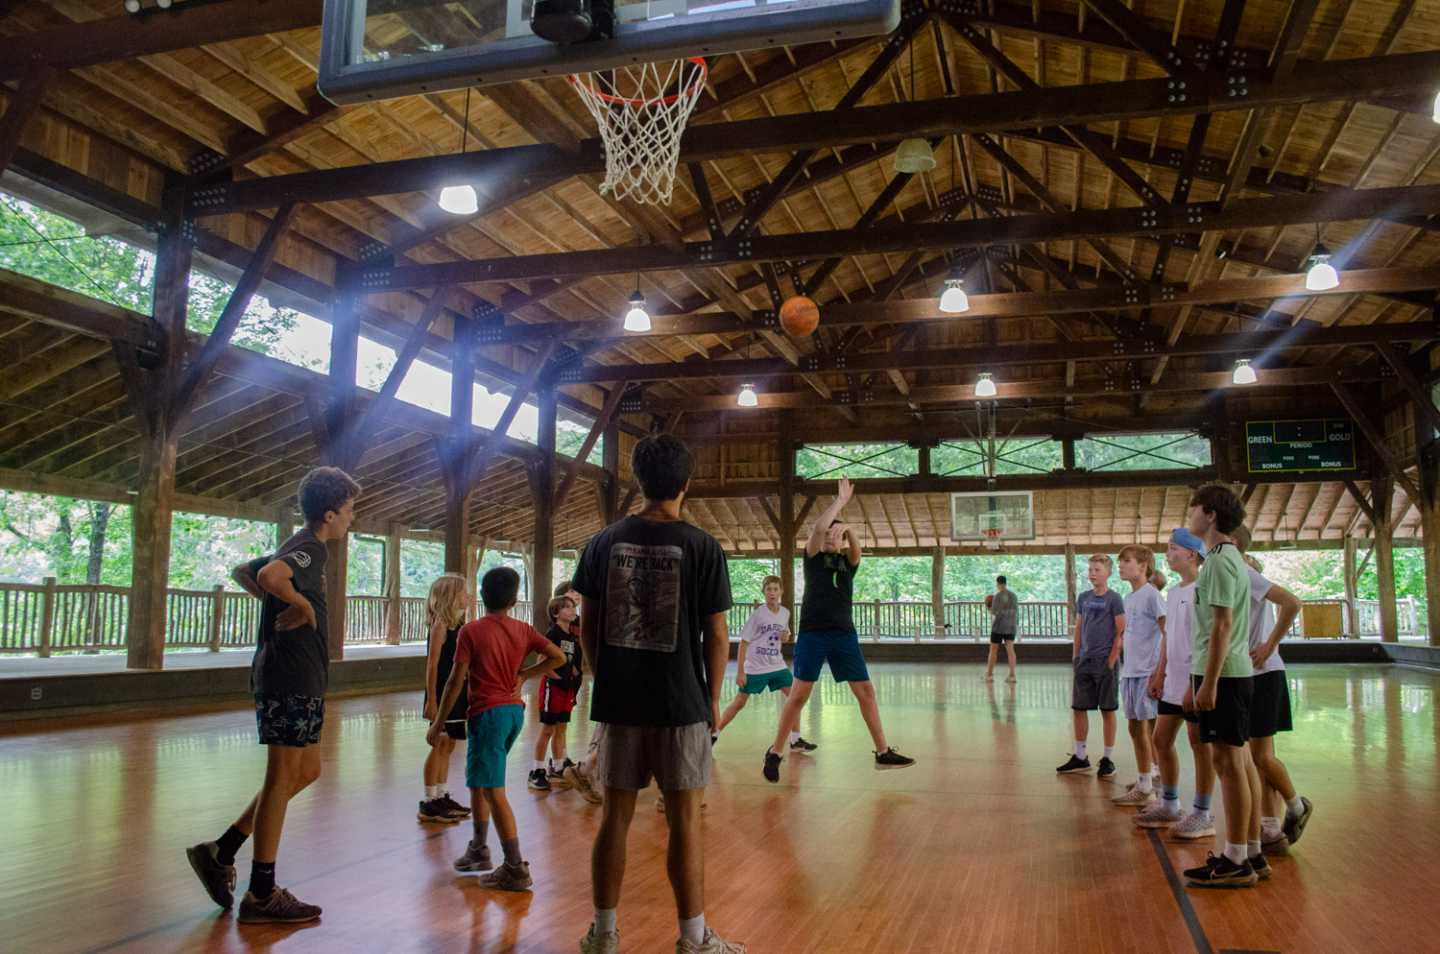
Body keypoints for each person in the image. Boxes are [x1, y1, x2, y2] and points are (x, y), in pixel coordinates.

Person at [573, 434, 745, 954]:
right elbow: (717, 634)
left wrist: (606, 676)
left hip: (620, 703)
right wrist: (712, 698)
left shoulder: (602, 543)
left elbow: (588, 625)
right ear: (686, 484)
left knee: (614, 818)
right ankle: (693, 939)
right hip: (680, 703)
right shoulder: (702, 547)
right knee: (684, 822)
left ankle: (603, 934)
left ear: (637, 482)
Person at [185, 467, 360, 924]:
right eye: (349, 510)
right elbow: (268, 575)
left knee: (306, 770)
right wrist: (299, 605)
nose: (351, 518)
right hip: (289, 678)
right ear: (329, 514)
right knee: (282, 777)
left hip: (301, 678)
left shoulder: (298, 545)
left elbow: (246, 571)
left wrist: (281, 602)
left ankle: (222, 850)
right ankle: (261, 894)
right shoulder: (310, 547)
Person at [764, 477, 915, 784]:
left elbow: (856, 551)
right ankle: (776, 751)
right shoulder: (813, 559)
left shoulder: (848, 563)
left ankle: (882, 752)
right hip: (813, 634)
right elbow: (819, 529)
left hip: (844, 634)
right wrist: (839, 503)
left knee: (866, 691)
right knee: (799, 695)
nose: (831, 536)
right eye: (828, 534)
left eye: (837, 535)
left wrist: (849, 530)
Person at [427, 566, 565, 890]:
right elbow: (557, 657)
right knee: (478, 780)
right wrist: (525, 675)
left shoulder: (471, 631)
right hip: (512, 713)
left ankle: (515, 867)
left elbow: (455, 681)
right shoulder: (523, 629)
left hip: (488, 715)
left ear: (482, 595)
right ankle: (478, 849)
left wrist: (438, 722)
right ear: (514, 600)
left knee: (493, 789)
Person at [1182, 485, 1263, 888]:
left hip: (1224, 674)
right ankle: (1251, 851)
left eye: (1193, 509)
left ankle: (1235, 859)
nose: (1190, 516)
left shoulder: (1217, 562)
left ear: (1210, 514)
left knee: (1228, 765)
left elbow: (1222, 625)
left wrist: (1209, 682)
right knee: (1237, 762)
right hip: (1231, 671)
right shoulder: (1229, 558)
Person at [1232, 526, 1314, 853]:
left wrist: (1269, 645)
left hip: (1264, 674)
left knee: (1262, 757)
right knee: (1258, 758)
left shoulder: (1246, 574)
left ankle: (1296, 806)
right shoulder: (1234, 578)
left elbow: (1293, 602)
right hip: (1248, 673)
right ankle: (1269, 828)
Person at [1135, 530, 1217, 839]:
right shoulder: (1173, 593)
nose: (1167, 555)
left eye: (1173, 549)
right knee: (1161, 739)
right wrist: (1160, 673)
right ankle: (1170, 805)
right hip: (1173, 680)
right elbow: (1169, 637)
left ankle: (1203, 813)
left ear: (1192, 555)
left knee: (1200, 745)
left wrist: (1197, 683)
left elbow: (1209, 639)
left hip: (1195, 680)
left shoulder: (1205, 588)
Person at [714, 576, 815, 755]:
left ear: (781, 591)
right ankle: (715, 733)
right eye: (769, 589)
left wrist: (786, 636)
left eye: (776, 589)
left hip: (777, 665)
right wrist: (740, 672)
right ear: (764, 592)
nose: (772, 593)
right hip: (756, 667)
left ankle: (795, 739)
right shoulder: (758, 615)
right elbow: (743, 643)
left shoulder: (785, 613)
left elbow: (784, 636)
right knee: (739, 702)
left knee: (795, 698)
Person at [1057, 554, 1125, 777]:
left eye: (1097, 570)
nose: (1092, 573)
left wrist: (1112, 661)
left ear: (1108, 573)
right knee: (1079, 708)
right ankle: (1080, 756)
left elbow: (1120, 630)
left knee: (1107, 710)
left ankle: (1107, 758)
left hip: (1105, 662)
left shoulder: (1114, 599)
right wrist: (1076, 657)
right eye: (1090, 570)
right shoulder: (1084, 598)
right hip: (1084, 661)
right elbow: (1079, 628)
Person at [1112, 546, 1166, 806]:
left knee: (1145, 728)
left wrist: (1160, 672)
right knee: (1135, 727)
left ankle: (1148, 784)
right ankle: (1147, 779)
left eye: (1126, 561)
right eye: (1120, 561)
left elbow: (1167, 633)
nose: (1120, 566)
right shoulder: (1129, 597)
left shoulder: (1152, 595)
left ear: (1143, 566)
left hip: (1147, 672)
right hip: (1131, 672)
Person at [418, 573, 475, 823]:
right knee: (439, 744)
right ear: (450, 596)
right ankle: (429, 801)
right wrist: (431, 700)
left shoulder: (460, 625)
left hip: (457, 693)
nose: (468, 596)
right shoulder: (440, 625)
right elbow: (432, 665)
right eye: (463, 592)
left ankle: (441, 795)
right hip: (442, 692)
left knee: (449, 744)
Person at [529, 594, 584, 792]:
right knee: (547, 730)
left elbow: (570, 661)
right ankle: (536, 771)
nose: (572, 609)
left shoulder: (571, 636)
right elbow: (541, 662)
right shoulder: (553, 634)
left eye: (573, 606)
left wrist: (574, 673)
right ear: (555, 613)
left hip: (567, 689)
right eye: (566, 607)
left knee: (561, 728)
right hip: (553, 688)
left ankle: (559, 768)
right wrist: (557, 678)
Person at [984, 575, 1019, 683]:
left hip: (998, 627)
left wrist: (988, 607)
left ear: (997, 584)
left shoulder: (997, 596)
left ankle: (989, 675)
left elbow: (994, 612)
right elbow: (1015, 611)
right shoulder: (1014, 596)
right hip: (1011, 626)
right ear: (1005, 583)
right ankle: (1012, 676)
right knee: (1010, 650)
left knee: (993, 650)